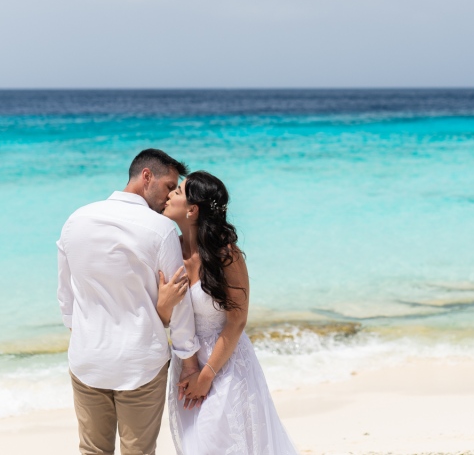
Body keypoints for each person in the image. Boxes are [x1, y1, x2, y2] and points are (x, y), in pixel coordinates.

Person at [57, 149, 207, 455]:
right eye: (168, 186)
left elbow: (66, 296)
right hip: (140, 363)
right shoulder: (160, 229)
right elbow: (177, 301)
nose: (169, 197)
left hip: (88, 360)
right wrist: (190, 364)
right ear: (146, 177)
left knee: (92, 450)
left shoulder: (76, 219)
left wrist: (85, 337)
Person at [157, 170, 299, 455]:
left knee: (225, 443)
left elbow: (238, 319)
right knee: (196, 444)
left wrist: (207, 374)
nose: (169, 194)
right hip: (186, 362)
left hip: (226, 363)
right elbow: (164, 317)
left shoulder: (226, 254)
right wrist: (163, 304)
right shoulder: (168, 249)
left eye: (179, 191)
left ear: (192, 210)